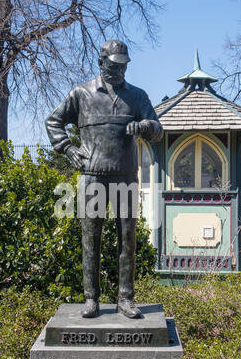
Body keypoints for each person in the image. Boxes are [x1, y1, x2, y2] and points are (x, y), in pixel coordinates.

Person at [46, 40, 163, 319]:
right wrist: (68, 148)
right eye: (113, 65)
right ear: (101, 63)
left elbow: (157, 129)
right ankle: (91, 299)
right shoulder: (81, 93)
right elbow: (53, 121)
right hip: (92, 176)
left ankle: (126, 298)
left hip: (125, 176)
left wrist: (145, 126)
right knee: (91, 239)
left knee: (128, 239)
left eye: (123, 65)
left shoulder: (137, 96)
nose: (119, 70)